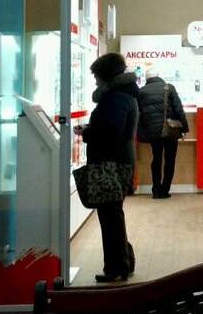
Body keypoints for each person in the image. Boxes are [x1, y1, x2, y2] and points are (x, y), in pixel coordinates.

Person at [73, 52, 139, 283]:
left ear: (105, 76)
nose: (95, 81)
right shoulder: (124, 95)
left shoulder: (115, 98)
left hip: (110, 163)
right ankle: (123, 263)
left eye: (96, 76)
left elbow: (111, 132)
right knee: (113, 215)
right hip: (119, 161)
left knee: (110, 217)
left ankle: (116, 267)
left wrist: (87, 132)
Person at [137, 68, 189, 199]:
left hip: (152, 132)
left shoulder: (141, 91)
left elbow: (138, 113)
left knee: (156, 159)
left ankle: (156, 190)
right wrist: (184, 129)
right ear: (158, 76)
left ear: (146, 78)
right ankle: (165, 190)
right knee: (170, 160)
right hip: (170, 130)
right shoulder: (168, 88)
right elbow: (179, 109)